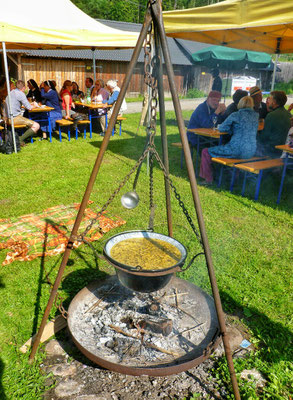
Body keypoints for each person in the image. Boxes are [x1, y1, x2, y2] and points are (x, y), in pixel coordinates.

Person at [199, 96, 258, 185]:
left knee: (205, 152)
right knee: (232, 154)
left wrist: (229, 129)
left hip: (237, 149)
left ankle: (208, 179)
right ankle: (234, 177)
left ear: (240, 104)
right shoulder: (255, 116)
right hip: (251, 150)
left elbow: (222, 128)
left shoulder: (236, 115)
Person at [4, 80, 40, 144]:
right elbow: (30, 108)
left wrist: (30, 104)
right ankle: (20, 139)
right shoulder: (21, 94)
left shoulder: (11, 92)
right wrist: (36, 105)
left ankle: (21, 137)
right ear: (23, 87)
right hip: (14, 118)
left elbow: (23, 104)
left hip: (6, 118)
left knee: (27, 121)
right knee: (36, 125)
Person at [257, 90, 291, 157]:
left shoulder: (272, 115)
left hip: (270, 150)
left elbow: (263, 137)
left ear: (274, 102)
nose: (268, 101)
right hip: (282, 150)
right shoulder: (289, 114)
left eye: (270, 99)